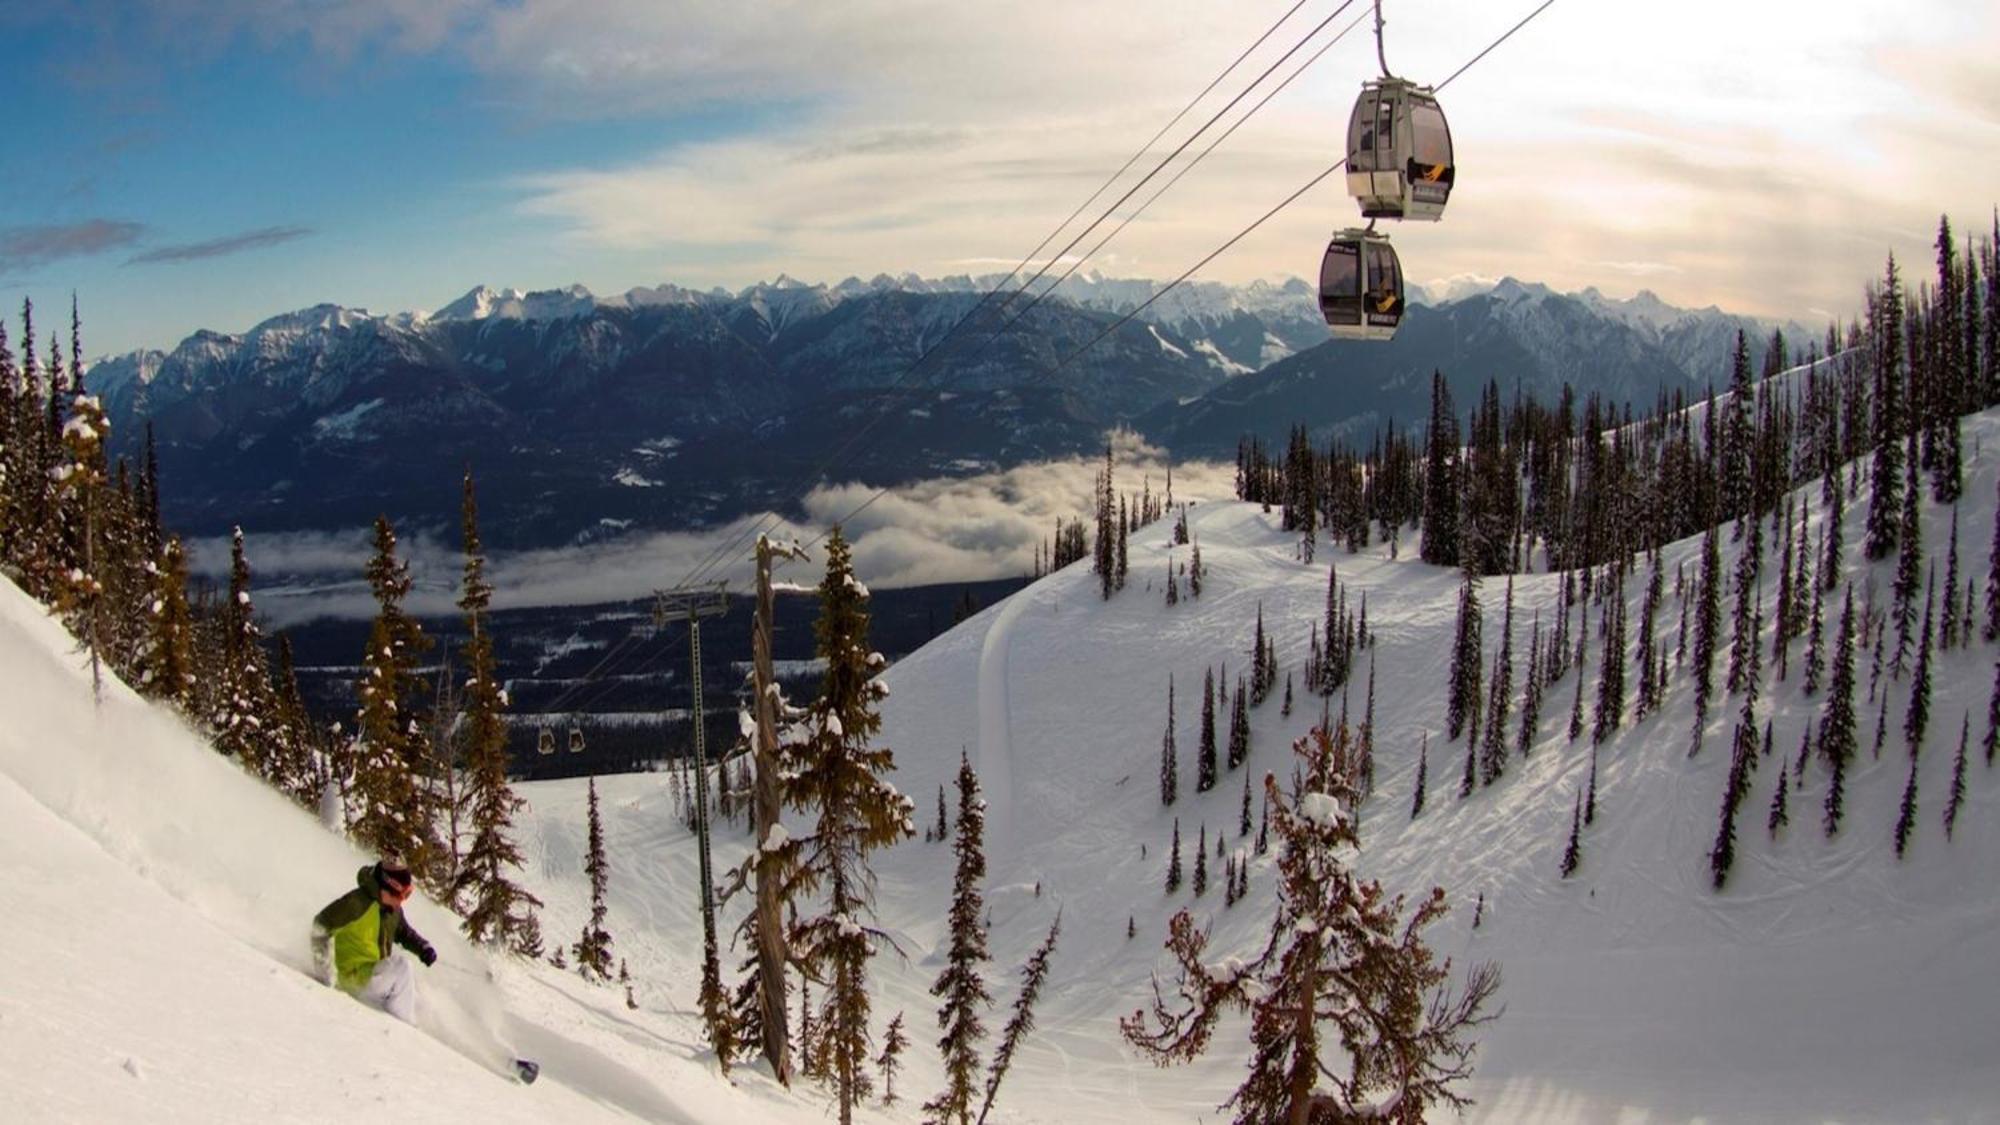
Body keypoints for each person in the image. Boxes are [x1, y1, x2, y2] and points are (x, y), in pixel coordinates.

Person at [311, 855, 437, 1025]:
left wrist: (423, 947)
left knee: (418, 996)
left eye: (406, 896)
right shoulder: (356, 903)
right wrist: (324, 973)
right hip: (353, 979)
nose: (402, 902)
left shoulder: (391, 909)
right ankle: (404, 1030)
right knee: (402, 968)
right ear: (387, 887)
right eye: (401, 896)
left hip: (374, 976)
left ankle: (407, 1023)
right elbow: (321, 924)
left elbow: (404, 932)